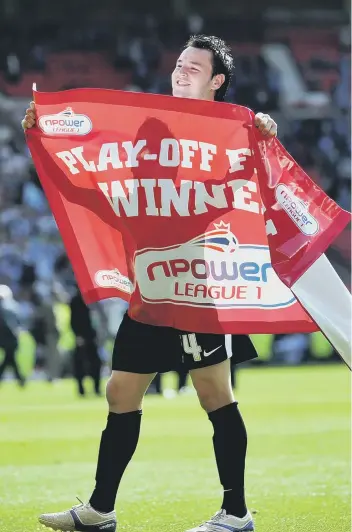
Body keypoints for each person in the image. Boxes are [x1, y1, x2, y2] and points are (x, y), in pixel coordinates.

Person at [22, 34, 277, 532]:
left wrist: (266, 130)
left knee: (213, 394)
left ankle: (237, 513)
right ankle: (99, 511)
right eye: (179, 63)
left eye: (194, 67)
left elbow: (252, 176)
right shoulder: (151, 124)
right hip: (150, 294)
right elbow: (88, 184)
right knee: (120, 392)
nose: (181, 71)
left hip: (193, 288)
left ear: (216, 82)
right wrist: (43, 137)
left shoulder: (229, 130)